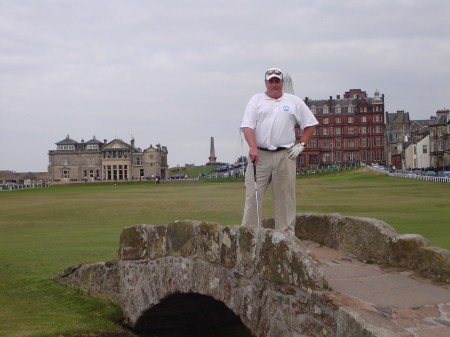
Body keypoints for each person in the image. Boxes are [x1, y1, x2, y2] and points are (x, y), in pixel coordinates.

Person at [240, 67, 318, 235]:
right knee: (252, 196)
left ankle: (286, 237)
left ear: (282, 83)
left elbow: (310, 124)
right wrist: (252, 147)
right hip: (259, 155)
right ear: (266, 83)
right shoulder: (256, 100)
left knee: (285, 198)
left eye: (277, 81)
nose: (274, 84)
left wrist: (301, 144)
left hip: (285, 155)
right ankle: (249, 235)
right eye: (271, 81)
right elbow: (247, 126)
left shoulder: (294, 101)